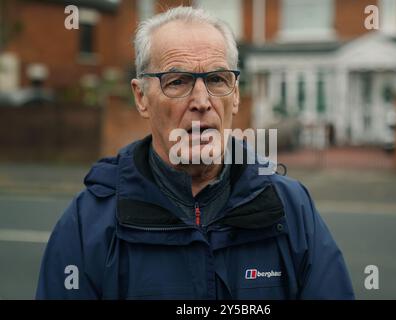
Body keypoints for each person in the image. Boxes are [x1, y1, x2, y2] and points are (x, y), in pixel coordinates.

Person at [36, 6, 354, 300]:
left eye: (217, 79)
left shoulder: (292, 208)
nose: (202, 101)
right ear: (141, 97)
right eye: (178, 81)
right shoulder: (87, 222)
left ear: (237, 96)